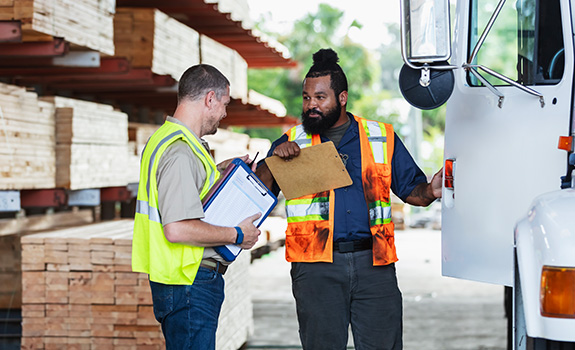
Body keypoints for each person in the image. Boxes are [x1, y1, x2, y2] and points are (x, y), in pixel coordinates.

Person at [256, 49, 443, 350]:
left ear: (342, 98)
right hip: (316, 268)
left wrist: (431, 191)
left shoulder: (380, 136)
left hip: (375, 265)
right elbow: (259, 191)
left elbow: (413, 191)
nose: (311, 106)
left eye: (320, 98)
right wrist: (273, 160)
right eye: (306, 98)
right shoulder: (294, 141)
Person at [132, 64, 262, 350]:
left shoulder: (166, 140)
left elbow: (182, 192)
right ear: (210, 99)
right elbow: (177, 229)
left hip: (179, 279)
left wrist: (218, 171)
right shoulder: (180, 152)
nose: (225, 114)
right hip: (189, 280)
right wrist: (238, 234)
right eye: (224, 105)